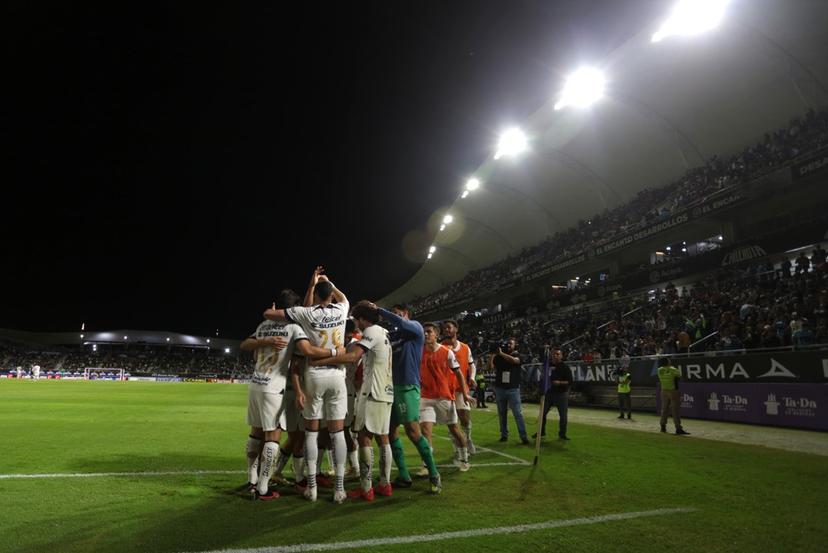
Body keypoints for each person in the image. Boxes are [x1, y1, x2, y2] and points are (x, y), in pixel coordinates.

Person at [240, 288, 344, 500]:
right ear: (292, 309)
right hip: (275, 387)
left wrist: (264, 342)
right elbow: (307, 352)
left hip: (255, 384)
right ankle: (263, 488)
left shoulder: (264, 326)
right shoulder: (294, 328)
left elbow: (245, 345)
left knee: (255, 433)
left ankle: (252, 480)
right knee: (273, 436)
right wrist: (335, 352)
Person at [264, 267, 350, 503]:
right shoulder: (342, 309)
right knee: (337, 432)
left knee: (310, 432)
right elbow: (341, 297)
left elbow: (272, 316)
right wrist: (327, 280)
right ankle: (339, 489)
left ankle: (310, 488)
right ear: (331, 294)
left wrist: (312, 283)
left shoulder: (307, 313)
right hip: (337, 376)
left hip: (313, 376)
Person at [310, 301, 394, 501]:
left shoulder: (371, 332)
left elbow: (352, 357)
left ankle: (366, 488)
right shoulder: (384, 332)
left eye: (357, 320)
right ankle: (385, 484)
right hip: (386, 390)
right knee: (383, 438)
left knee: (364, 437)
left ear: (363, 319)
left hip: (372, 391)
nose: (356, 325)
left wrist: (322, 360)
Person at [377, 302, 442, 494]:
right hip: (390, 388)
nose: (394, 317)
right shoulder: (393, 335)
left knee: (413, 431)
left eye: (397, 314)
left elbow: (398, 321)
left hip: (407, 387)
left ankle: (434, 474)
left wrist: (380, 310)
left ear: (405, 314)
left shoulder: (415, 328)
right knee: (389, 432)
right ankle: (404, 476)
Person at [420, 322, 471, 472]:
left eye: (429, 332)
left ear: (436, 334)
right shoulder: (419, 351)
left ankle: (464, 458)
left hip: (444, 397)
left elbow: (459, 374)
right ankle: (427, 465)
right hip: (425, 397)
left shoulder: (446, 352)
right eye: (424, 332)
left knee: (454, 429)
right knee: (425, 431)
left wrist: (465, 393)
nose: (426, 334)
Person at [441, 319, 476, 455]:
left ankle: (468, 439)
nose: (446, 330)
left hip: (461, 389)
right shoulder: (440, 347)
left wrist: (472, 378)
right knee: (452, 421)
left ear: (456, 329)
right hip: (446, 390)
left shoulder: (465, 347)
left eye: (449, 327)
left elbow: (471, 364)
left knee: (465, 418)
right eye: (445, 328)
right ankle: (457, 447)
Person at [488, 337, 529, 444]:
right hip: (500, 388)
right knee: (502, 414)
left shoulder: (518, 355)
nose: (508, 345)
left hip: (513, 389)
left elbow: (515, 361)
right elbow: (490, 367)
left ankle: (523, 436)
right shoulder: (498, 356)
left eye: (511, 344)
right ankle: (504, 435)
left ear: (515, 345)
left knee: (517, 414)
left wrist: (501, 354)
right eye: (507, 343)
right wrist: (492, 353)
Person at [535, 348, 572, 441]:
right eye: (554, 354)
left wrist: (559, 383)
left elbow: (570, 381)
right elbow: (542, 378)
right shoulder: (547, 366)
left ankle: (562, 434)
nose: (555, 356)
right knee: (542, 414)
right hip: (549, 394)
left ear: (561, 356)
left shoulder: (565, 367)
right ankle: (541, 431)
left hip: (561, 394)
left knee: (563, 416)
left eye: (558, 354)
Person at [657, 357, 689, 435]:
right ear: (667, 362)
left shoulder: (659, 370)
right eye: (669, 360)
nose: (670, 360)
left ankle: (663, 426)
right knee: (675, 410)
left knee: (664, 409)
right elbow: (681, 378)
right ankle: (678, 428)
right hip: (673, 391)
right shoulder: (673, 369)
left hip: (664, 390)